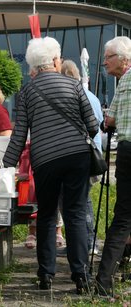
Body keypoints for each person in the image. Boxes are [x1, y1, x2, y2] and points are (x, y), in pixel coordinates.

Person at [2, 36, 98, 294]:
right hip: (77, 156)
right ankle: (81, 276)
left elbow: (19, 134)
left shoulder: (26, 92)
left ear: (33, 64)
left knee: (46, 214)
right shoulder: (73, 85)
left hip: (44, 160)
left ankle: (46, 275)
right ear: (56, 60)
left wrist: (6, 166)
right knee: (75, 213)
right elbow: (92, 125)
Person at [96, 36, 131, 296]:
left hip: (128, 152)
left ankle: (104, 282)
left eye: (108, 56)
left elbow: (109, 121)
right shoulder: (123, 79)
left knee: (124, 217)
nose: (104, 61)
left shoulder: (125, 81)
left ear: (124, 59)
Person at [61, 59, 103, 255]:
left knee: (78, 204)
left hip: (78, 156)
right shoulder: (92, 97)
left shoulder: (73, 96)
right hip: (92, 157)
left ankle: (85, 244)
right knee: (82, 202)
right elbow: (100, 126)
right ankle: (85, 243)